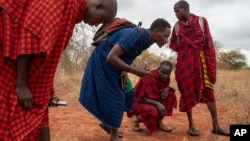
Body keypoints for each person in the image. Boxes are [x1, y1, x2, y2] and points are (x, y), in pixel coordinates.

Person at [0, 0, 117, 140]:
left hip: (27, 77)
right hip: (11, 66)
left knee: (39, 116)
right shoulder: (64, 3)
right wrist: (21, 83)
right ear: (98, 6)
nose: (97, 24)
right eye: (101, 19)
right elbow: (30, 34)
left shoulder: (72, 13)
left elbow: (46, 55)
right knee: (11, 119)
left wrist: (49, 90)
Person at [79, 18, 171, 141]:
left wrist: (124, 70)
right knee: (117, 97)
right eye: (165, 36)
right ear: (156, 31)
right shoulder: (134, 34)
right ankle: (114, 136)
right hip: (103, 62)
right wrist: (135, 71)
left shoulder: (146, 40)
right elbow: (111, 57)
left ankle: (108, 123)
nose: (166, 40)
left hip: (115, 65)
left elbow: (128, 54)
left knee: (128, 94)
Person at [169, 0, 229, 136]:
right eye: (174, 12)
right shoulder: (177, 27)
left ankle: (216, 126)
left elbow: (208, 43)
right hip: (185, 64)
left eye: (177, 11)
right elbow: (173, 46)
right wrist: (181, 43)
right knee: (186, 92)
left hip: (202, 62)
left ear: (185, 9)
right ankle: (191, 126)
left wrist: (210, 63)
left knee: (209, 93)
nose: (176, 14)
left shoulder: (202, 21)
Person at [127, 60, 177, 134]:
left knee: (170, 95)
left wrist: (167, 88)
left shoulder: (166, 78)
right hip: (136, 103)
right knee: (154, 111)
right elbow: (139, 98)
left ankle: (159, 121)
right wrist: (157, 103)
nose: (165, 75)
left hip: (151, 101)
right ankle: (136, 118)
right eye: (163, 72)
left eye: (168, 74)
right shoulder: (148, 77)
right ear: (158, 68)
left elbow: (160, 91)